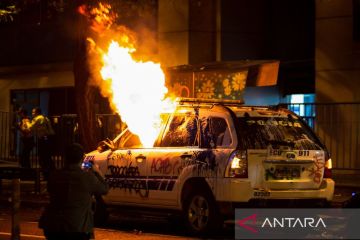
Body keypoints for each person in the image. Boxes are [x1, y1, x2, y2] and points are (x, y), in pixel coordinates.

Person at [39, 143, 109, 240]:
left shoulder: (55, 176)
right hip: (77, 228)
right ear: (81, 159)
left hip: (53, 226)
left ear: (65, 158)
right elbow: (104, 189)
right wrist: (96, 171)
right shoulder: (87, 177)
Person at [29, 107, 55, 173]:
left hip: (43, 139)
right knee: (48, 155)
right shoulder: (45, 118)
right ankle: (52, 170)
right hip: (49, 138)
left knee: (42, 156)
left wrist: (25, 123)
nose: (32, 113)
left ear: (37, 113)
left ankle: (45, 171)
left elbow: (31, 128)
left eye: (33, 112)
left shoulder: (37, 119)